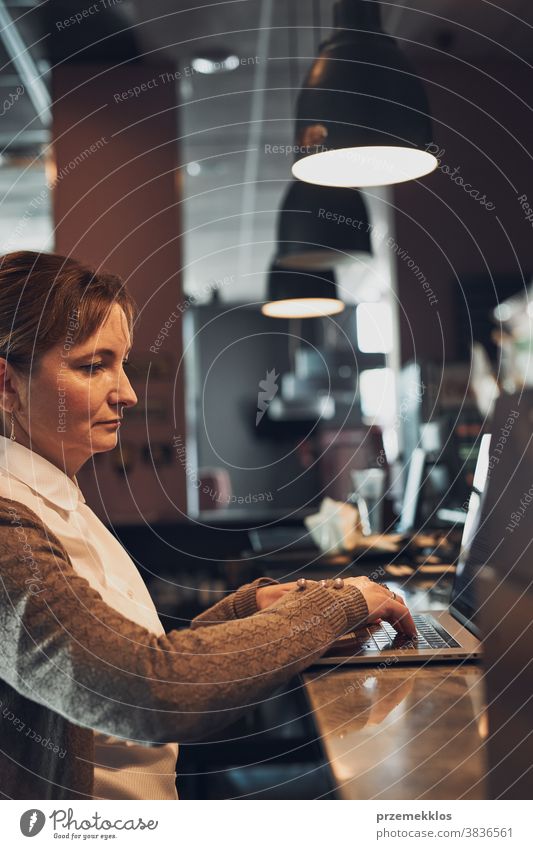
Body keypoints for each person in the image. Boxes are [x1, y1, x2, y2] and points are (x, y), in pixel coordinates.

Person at [0, 250, 415, 801]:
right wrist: (334, 605)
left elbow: (126, 657)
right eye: (92, 365)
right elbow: (147, 691)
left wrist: (248, 611)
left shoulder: (51, 498)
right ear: (5, 384)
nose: (126, 393)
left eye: (120, 364)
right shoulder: (9, 525)